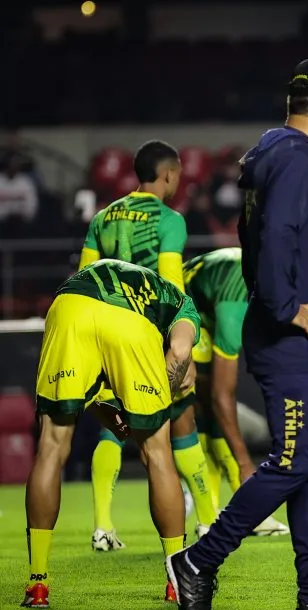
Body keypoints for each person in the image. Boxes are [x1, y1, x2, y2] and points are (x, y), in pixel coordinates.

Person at [167, 56, 308, 610]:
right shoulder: (294, 158)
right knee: (295, 461)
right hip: (296, 349)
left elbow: (286, 240)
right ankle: (197, 560)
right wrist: (287, 307)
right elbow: (274, 240)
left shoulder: (278, 154)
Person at [22, 259, 200, 608]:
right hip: (129, 325)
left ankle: (38, 583)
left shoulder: (112, 274)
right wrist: (158, 403)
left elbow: (91, 382)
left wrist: (110, 410)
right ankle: (177, 581)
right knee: (158, 453)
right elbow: (179, 353)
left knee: (51, 446)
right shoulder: (182, 305)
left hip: (69, 305)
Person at [81, 141, 220, 566]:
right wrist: (184, 347)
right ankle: (208, 521)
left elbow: (85, 277)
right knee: (182, 422)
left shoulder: (102, 218)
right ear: (168, 175)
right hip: (149, 335)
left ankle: (103, 525)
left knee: (112, 426)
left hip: (105, 333)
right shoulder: (169, 220)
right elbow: (171, 288)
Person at [183, 247, 290, 536]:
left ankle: (238, 510)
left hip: (210, 293)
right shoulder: (235, 307)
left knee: (213, 412)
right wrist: (246, 463)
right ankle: (209, 515)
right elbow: (222, 394)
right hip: (188, 311)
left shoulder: (275, 286)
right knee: (206, 407)